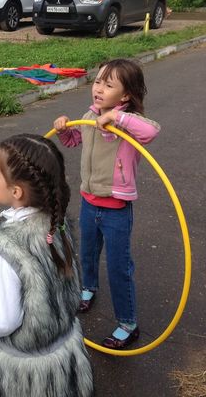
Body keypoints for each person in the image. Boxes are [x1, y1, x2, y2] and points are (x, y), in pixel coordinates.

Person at [0, 134, 94, 397]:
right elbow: (40, 281)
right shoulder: (55, 225)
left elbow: (2, 321)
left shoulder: (6, 248)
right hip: (67, 361)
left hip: (30, 379)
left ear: (16, 191)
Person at [53, 59, 160, 350]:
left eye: (108, 85)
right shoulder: (90, 115)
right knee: (87, 254)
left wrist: (117, 118)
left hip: (116, 209)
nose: (99, 88)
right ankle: (88, 289)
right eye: (98, 81)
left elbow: (152, 131)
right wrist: (63, 129)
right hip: (89, 202)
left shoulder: (129, 122)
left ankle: (128, 323)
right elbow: (74, 140)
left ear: (125, 96)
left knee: (118, 267)